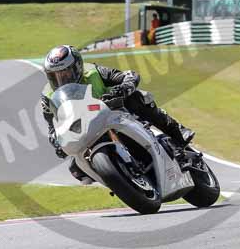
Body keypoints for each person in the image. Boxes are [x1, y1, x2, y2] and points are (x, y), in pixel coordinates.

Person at [40, 45, 195, 184]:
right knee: (76, 170)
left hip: (116, 112)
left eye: (65, 74)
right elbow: (52, 127)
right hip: (87, 130)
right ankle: (120, 178)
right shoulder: (48, 95)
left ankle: (178, 132)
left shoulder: (93, 71)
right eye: (54, 76)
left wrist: (124, 88)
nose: (61, 79)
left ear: (78, 67)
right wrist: (56, 141)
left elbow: (129, 75)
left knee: (136, 99)